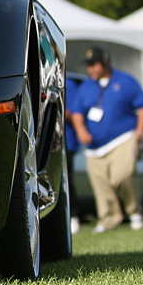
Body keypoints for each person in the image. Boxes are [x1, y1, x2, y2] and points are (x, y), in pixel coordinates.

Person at [69, 46, 143, 233]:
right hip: (95, 145)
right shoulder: (87, 86)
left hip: (122, 138)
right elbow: (77, 112)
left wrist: (139, 132)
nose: (90, 70)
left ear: (105, 63)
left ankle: (135, 212)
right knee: (100, 183)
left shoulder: (125, 81)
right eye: (88, 66)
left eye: (94, 65)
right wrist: (81, 130)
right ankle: (108, 218)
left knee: (122, 175)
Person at [64, 75, 82, 233]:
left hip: (66, 141)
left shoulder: (68, 83)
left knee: (67, 180)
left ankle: (73, 216)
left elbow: (75, 113)